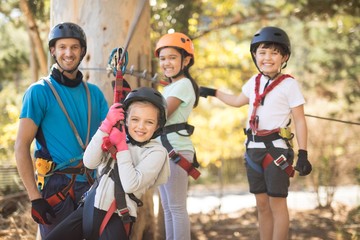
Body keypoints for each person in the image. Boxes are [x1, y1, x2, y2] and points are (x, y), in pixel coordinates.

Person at [199, 26, 312, 240]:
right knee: (261, 204)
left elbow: (299, 119)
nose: (267, 57)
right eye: (262, 52)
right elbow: (235, 101)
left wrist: (303, 153)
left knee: (277, 203)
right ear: (254, 55)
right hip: (252, 150)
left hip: (275, 152)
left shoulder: (289, 85)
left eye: (274, 53)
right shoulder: (254, 82)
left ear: (284, 57)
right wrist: (213, 92)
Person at [14, 22, 109, 238]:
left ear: (82, 51)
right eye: (62, 47)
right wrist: (35, 198)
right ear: (52, 50)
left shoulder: (95, 94)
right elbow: (21, 146)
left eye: (75, 47)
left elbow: (112, 140)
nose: (68, 53)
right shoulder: (39, 92)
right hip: (55, 188)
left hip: (92, 185)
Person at [45, 87, 170, 240]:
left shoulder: (157, 152)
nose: (141, 126)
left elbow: (130, 185)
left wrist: (122, 147)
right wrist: (106, 126)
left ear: (158, 126)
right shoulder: (116, 135)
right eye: (135, 120)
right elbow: (89, 162)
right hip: (89, 207)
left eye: (149, 122)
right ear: (126, 120)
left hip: (117, 215)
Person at [154, 32, 200, 240]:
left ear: (186, 60)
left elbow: (160, 115)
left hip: (176, 150)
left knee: (176, 208)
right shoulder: (171, 86)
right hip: (165, 150)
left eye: (172, 57)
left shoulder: (183, 85)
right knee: (168, 208)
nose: (166, 63)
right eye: (163, 58)